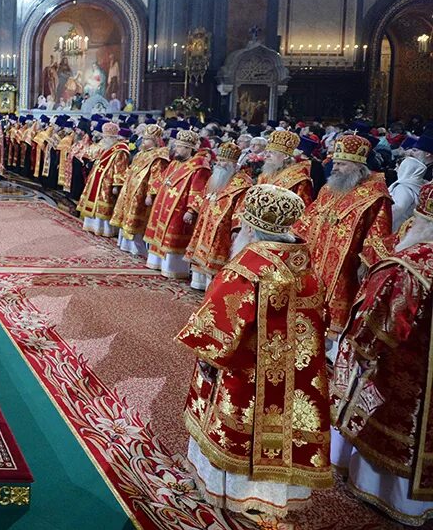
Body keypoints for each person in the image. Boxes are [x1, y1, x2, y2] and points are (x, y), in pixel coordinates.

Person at [177, 184, 331, 517]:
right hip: (294, 373)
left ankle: (228, 491)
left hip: (246, 369)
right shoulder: (306, 268)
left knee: (236, 413)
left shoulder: (247, 268)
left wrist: (207, 357)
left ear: (250, 226)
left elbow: (218, 324)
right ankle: (271, 497)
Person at [331, 183, 433, 526]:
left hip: (406, 371)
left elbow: (381, 325)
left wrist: (359, 350)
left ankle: (383, 492)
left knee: (398, 422)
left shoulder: (409, 266)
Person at [294, 134, 393, 353]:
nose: (335, 167)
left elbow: (379, 233)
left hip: (346, 267)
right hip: (315, 258)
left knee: (339, 308)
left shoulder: (375, 196)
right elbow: (309, 217)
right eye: (335, 162)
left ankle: (333, 351)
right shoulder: (329, 189)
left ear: (358, 166)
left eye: (341, 164)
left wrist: (366, 262)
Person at [185, 141, 255, 291]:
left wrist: (236, 229)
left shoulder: (242, 183)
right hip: (205, 223)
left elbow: (241, 207)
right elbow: (203, 195)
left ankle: (213, 288)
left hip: (223, 229)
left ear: (233, 163)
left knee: (216, 259)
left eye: (224, 161)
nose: (219, 164)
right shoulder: (214, 177)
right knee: (200, 255)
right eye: (219, 160)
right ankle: (198, 282)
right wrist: (193, 210)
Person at [144, 129, 212, 279]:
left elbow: (199, 190)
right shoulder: (175, 163)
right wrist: (151, 193)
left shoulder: (200, 166)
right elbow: (161, 179)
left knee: (173, 238)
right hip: (163, 205)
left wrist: (191, 210)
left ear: (190, 149)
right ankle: (157, 263)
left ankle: (174, 268)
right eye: (176, 145)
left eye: (180, 147)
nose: (176, 149)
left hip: (179, 209)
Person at [111, 124, 169, 256]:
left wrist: (150, 194)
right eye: (143, 138)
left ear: (155, 141)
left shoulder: (158, 157)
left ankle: (138, 249)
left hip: (141, 192)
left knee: (136, 220)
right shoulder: (140, 154)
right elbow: (131, 170)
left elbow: (156, 177)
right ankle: (125, 244)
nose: (143, 141)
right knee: (125, 215)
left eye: (147, 139)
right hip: (129, 189)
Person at [77, 122, 130, 237]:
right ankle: (92, 225)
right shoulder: (107, 146)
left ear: (112, 137)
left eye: (106, 137)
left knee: (104, 204)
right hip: (98, 178)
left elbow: (121, 168)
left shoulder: (121, 150)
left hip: (108, 182)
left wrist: (116, 185)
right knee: (94, 203)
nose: (103, 138)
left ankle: (105, 229)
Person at [257, 129, 314, 205]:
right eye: (267, 152)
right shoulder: (265, 175)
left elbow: (303, 206)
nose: (266, 156)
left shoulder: (298, 179)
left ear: (286, 156)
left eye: (272, 152)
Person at [389, 155, 429, 234]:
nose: (395, 170)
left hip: (396, 226)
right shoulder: (419, 185)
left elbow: (399, 208)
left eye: (398, 167)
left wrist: (381, 217)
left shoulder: (404, 187)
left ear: (406, 169)